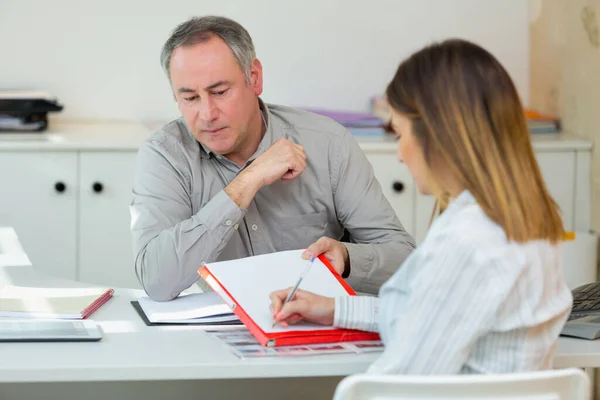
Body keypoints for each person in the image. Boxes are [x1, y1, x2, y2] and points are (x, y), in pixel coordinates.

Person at [270, 39, 573, 375]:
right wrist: (333, 309)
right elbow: (429, 314)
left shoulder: (468, 238)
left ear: (438, 135)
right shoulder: (527, 222)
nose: (400, 154)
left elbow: (405, 383)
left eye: (400, 134)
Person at [130, 16, 415, 301]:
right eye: (190, 98)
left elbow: (405, 260)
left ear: (254, 77)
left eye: (219, 92)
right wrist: (247, 182)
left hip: (313, 331)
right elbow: (157, 281)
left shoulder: (328, 144)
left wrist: (347, 257)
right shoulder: (165, 154)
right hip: (213, 334)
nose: (207, 114)